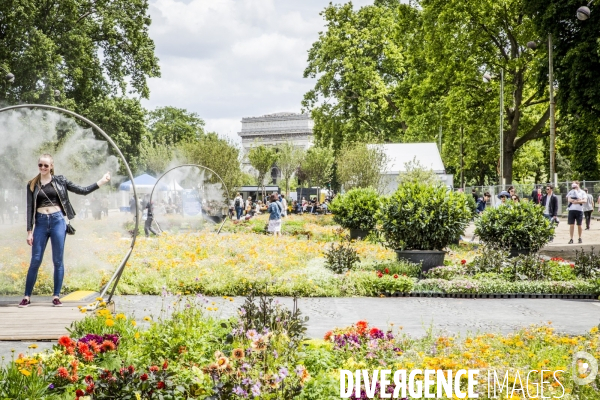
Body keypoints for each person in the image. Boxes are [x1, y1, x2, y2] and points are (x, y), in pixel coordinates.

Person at [20, 154, 110, 308]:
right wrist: (29, 231)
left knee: (58, 260)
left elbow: (82, 190)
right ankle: (27, 296)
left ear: (51, 166)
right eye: (40, 165)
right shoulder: (32, 184)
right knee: (35, 260)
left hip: (58, 221)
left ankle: (56, 296)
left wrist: (101, 181)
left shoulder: (60, 180)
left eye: (46, 165)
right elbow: (30, 208)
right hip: (41, 222)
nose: (42, 168)